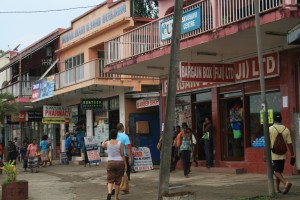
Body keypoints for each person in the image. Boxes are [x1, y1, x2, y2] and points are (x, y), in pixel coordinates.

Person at [269, 113, 294, 195]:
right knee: (278, 171)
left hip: (273, 154)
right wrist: (292, 154)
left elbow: (267, 143)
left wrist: (265, 155)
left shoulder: (270, 129)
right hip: (282, 154)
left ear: (273, 120)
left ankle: (285, 183)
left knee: (274, 171)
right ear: (281, 119)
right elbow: (289, 144)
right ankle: (277, 189)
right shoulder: (286, 129)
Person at [102, 129, 127, 200]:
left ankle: (109, 193)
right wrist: (125, 164)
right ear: (116, 136)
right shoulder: (120, 143)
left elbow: (102, 145)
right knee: (118, 181)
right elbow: (122, 155)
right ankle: (116, 197)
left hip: (110, 162)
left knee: (110, 180)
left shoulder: (107, 143)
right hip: (119, 162)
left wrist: (104, 140)